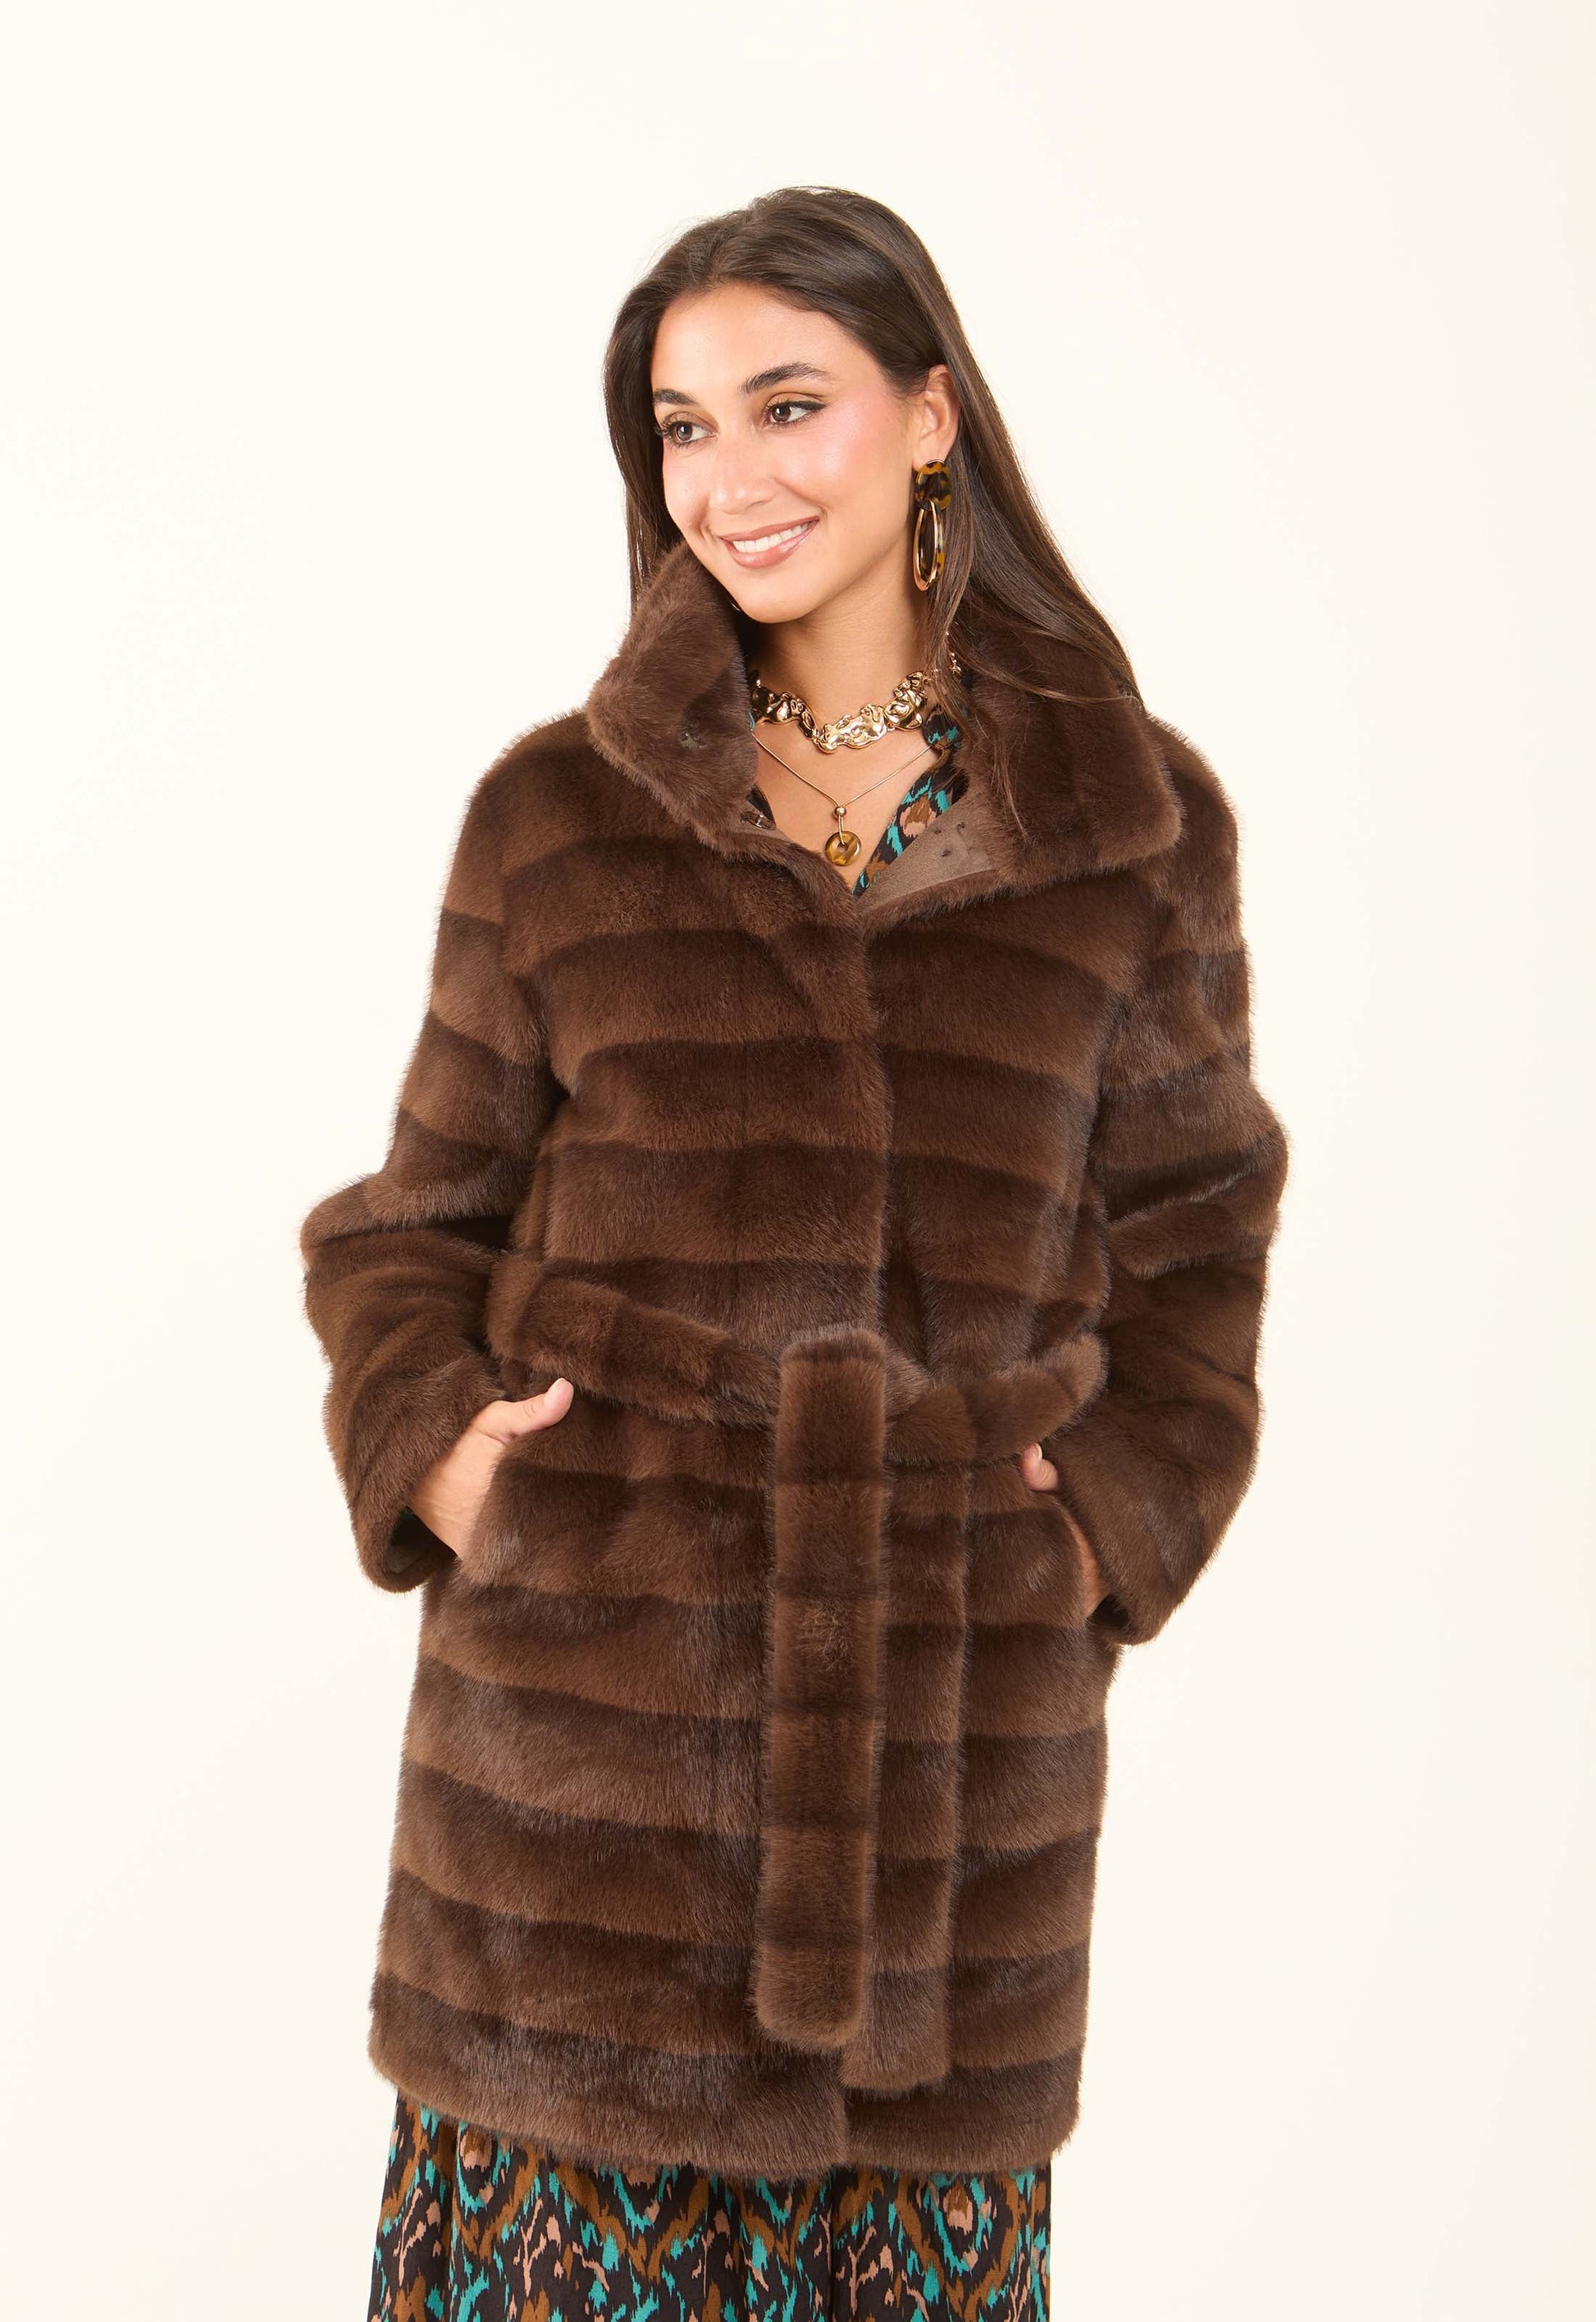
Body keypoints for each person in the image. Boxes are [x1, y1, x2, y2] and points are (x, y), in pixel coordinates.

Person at [299, 184, 1291, 2321]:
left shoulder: (1130, 831)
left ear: (930, 416)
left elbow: (1200, 1243)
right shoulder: (561, 819)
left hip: (949, 1829)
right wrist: (453, 1459)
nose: (727, 478)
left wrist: (1101, 1525)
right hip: (573, 1832)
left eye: (786, 405)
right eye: (681, 427)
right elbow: (408, 1232)